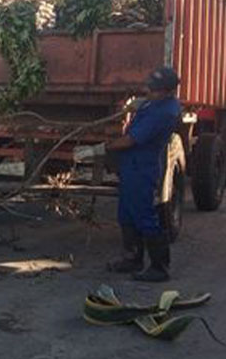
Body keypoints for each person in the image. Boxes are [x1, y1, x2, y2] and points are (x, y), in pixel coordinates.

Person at [74, 66, 182, 282]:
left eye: (155, 90)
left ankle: (160, 267)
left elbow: (131, 140)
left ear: (169, 91)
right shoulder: (156, 103)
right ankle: (132, 259)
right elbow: (145, 107)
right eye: (149, 88)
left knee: (144, 216)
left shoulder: (164, 112)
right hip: (131, 166)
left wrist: (99, 149)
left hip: (142, 168)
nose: (149, 92)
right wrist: (138, 105)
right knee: (126, 214)